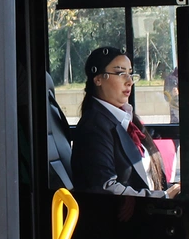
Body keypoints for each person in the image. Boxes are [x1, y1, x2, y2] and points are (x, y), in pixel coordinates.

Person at [70, 47, 180, 199]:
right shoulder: (94, 127)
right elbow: (105, 188)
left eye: (130, 74)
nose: (129, 82)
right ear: (98, 79)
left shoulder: (126, 120)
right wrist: (163, 197)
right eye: (121, 73)